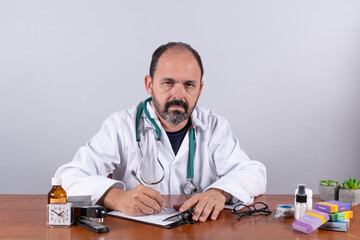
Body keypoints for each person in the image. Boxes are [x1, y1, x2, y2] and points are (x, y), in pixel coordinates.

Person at [55, 42, 266, 222]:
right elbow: (67, 178)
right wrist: (116, 197)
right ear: (149, 84)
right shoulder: (121, 125)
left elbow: (254, 173)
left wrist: (218, 193)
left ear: (200, 89)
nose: (178, 94)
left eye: (189, 85)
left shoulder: (214, 126)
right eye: (168, 83)